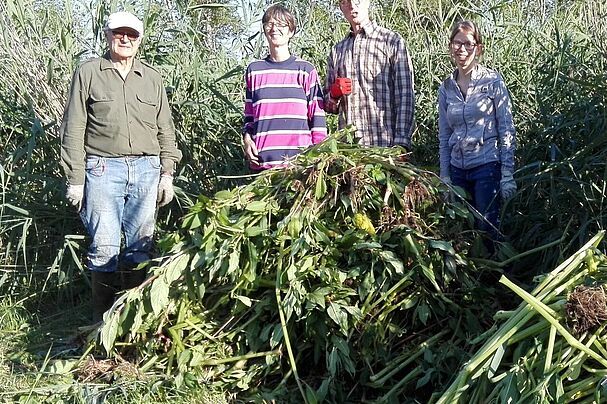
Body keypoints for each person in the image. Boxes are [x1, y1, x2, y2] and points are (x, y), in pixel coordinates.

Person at [60, 11, 182, 322]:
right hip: (102, 170)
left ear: (140, 40)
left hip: (147, 170)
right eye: (118, 33)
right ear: (107, 35)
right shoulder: (88, 73)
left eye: (131, 34)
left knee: (140, 249)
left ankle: (131, 323)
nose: (125, 39)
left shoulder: (152, 78)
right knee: (104, 247)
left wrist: (167, 173)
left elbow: (165, 129)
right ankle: (101, 323)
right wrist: (75, 179)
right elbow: (73, 128)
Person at [438, 20, 516, 241]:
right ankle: (471, 273)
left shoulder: (492, 81)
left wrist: (507, 173)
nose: (462, 49)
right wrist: (445, 176)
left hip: (486, 166)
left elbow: (506, 127)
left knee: (487, 226)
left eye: (468, 44)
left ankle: (495, 272)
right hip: (457, 169)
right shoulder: (446, 88)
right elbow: (444, 136)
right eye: (457, 43)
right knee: (463, 229)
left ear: (478, 48)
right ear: (450, 46)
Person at [243, 4, 327, 170]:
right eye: (270, 24)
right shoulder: (254, 70)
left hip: (300, 166)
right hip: (263, 164)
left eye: (281, 25)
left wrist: (318, 158)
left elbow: (318, 119)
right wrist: (247, 139)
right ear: (264, 29)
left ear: (291, 31)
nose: (274, 29)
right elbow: (249, 117)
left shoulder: (305, 70)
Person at [325, 0, 415, 150]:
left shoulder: (391, 41)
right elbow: (330, 107)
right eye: (345, 2)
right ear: (341, 7)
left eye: (357, 0)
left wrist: (401, 144)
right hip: (349, 152)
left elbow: (405, 95)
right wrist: (334, 95)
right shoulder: (337, 51)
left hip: (386, 147)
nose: (352, 6)